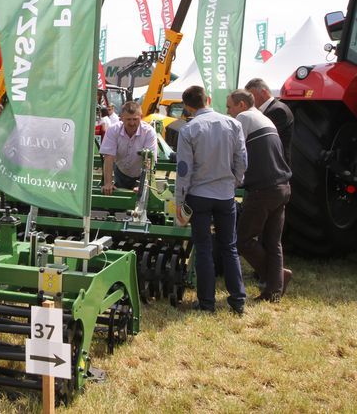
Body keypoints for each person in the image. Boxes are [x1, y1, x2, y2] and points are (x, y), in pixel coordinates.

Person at [175, 85, 247, 314]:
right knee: (230, 247)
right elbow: (242, 160)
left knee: (204, 248)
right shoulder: (233, 124)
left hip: (199, 195)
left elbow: (184, 170)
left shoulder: (188, 130)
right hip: (226, 195)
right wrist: (233, 181)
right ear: (207, 99)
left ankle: (206, 302)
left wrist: (179, 200)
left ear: (187, 107)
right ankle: (238, 300)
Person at [226, 89, 293, 302]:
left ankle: (277, 277)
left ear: (242, 105)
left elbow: (235, 151)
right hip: (282, 186)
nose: (229, 112)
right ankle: (273, 290)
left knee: (243, 240)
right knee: (274, 242)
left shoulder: (244, 118)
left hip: (262, 190)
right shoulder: (265, 119)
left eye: (230, 107)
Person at [99, 101, 159, 194]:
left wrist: (142, 185)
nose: (132, 123)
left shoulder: (149, 132)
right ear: (121, 118)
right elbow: (108, 157)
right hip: (120, 172)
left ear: (141, 117)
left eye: (135, 119)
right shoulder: (113, 130)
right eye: (128, 119)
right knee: (116, 207)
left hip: (141, 175)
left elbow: (149, 161)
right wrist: (108, 183)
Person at [244, 78, 293, 164]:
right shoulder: (272, 109)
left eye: (252, 96)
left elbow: (263, 139)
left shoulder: (278, 110)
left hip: (276, 164)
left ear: (264, 92)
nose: (250, 101)